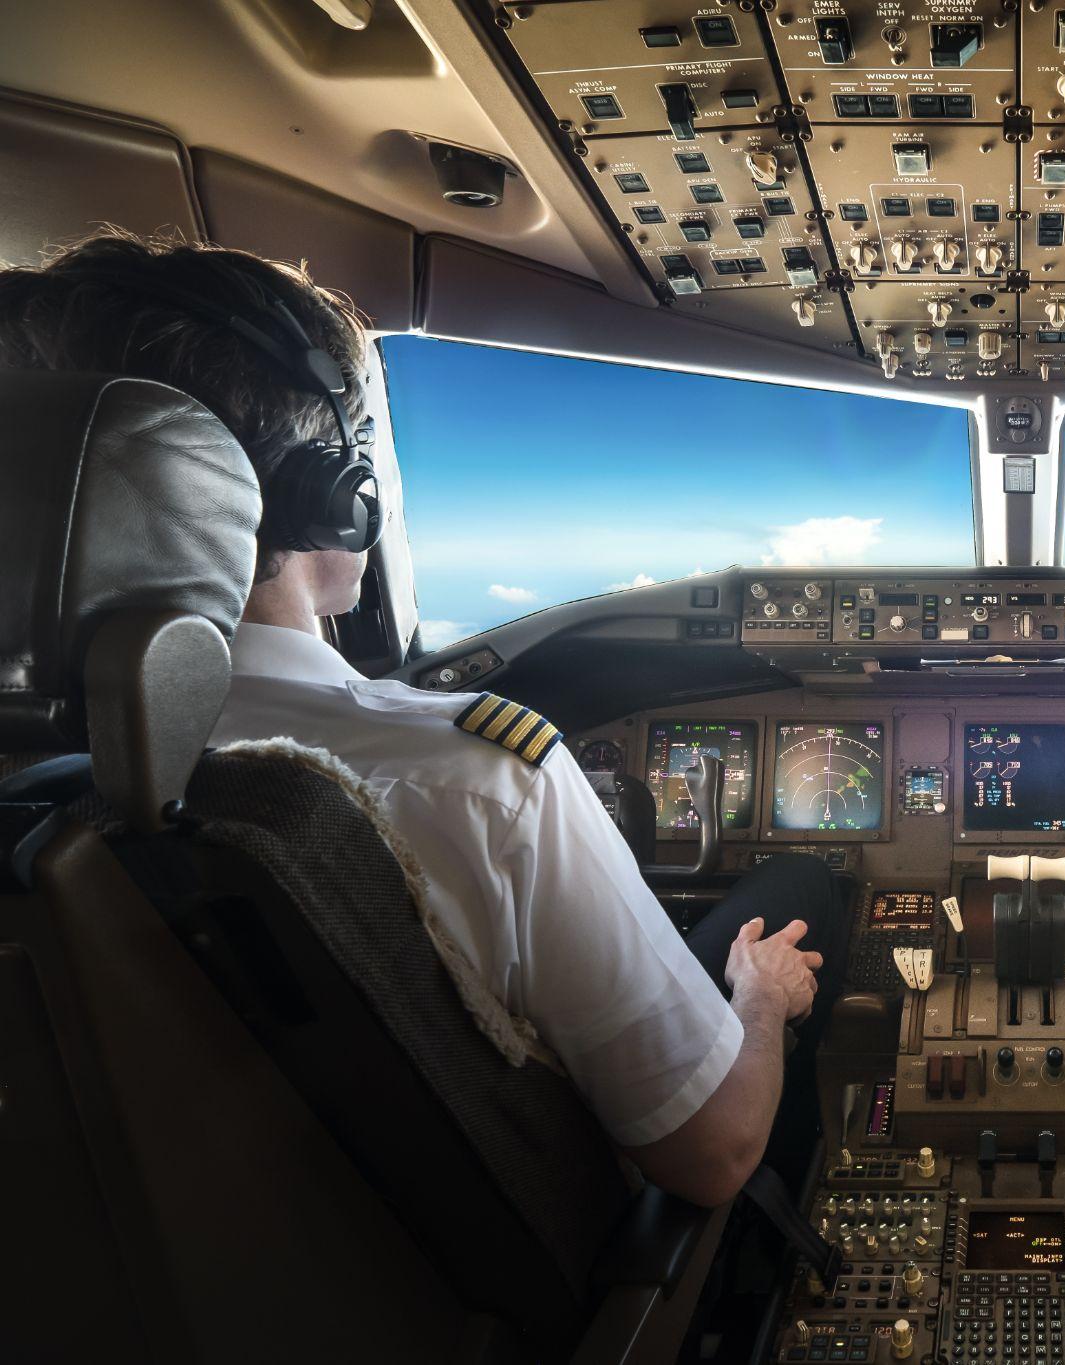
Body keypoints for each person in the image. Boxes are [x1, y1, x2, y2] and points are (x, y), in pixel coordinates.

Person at [0, 231, 844, 1206]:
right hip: (564, 1263)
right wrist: (760, 1003)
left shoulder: (41, 784)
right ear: (334, 491)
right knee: (798, 893)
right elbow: (710, 1156)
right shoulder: (475, 778)